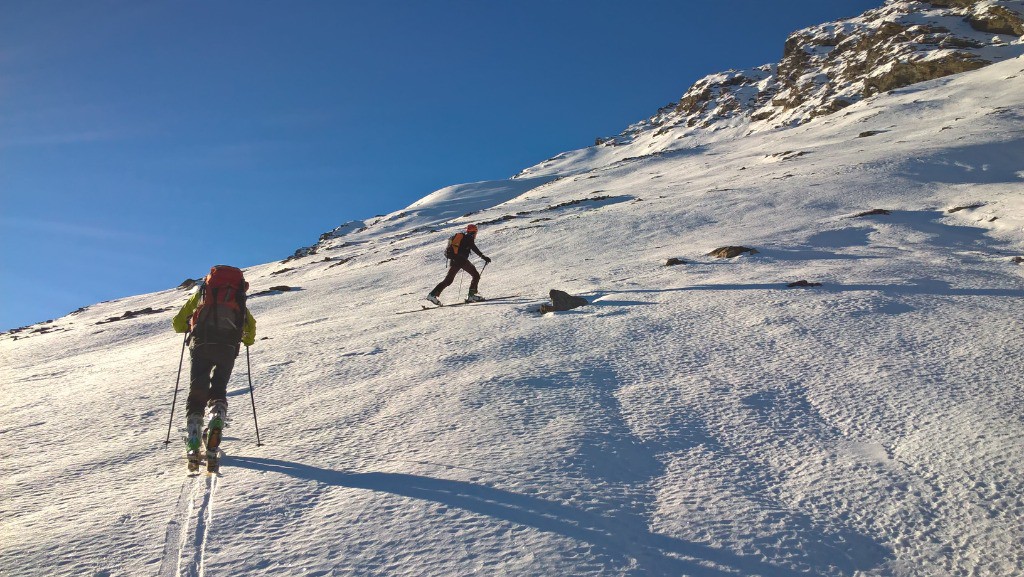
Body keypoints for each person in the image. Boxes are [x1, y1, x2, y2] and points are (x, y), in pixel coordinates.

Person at [172, 265, 256, 464]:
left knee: (197, 390)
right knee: (219, 388)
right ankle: (216, 416)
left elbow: (177, 323)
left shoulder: (203, 294)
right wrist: (246, 340)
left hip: (201, 345)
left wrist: (187, 327)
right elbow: (250, 327)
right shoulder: (238, 298)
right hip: (227, 348)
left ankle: (193, 436)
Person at [427, 223, 492, 305]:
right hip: (461, 260)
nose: (476, 234)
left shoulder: (463, 238)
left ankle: (432, 295)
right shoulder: (469, 238)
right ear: (474, 232)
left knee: (448, 280)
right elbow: (474, 248)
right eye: (476, 232)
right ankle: (471, 296)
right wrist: (483, 257)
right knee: (476, 275)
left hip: (454, 260)